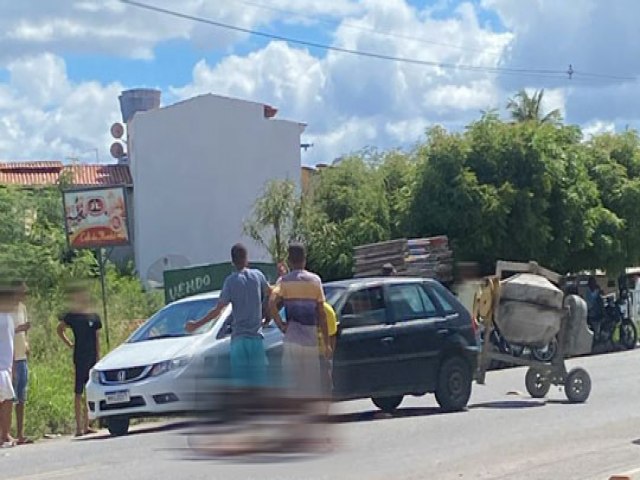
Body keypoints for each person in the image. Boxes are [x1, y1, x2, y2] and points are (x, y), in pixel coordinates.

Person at [186, 243, 270, 387]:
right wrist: (267, 315)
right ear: (246, 258)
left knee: (241, 384)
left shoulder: (230, 282)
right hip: (256, 337)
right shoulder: (258, 276)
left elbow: (218, 310)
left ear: (232, 261)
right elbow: (271, 293)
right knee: (260, 382)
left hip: (239, 339)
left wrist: (196, 325)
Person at [269, 242, 329, 399]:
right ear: (305, 259)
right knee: (311, 385)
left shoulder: (284, 281)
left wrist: (281, 325)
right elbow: (321, 313)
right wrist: (327, 343)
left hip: (292, 338)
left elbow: (271, 302)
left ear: (290, 260)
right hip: (310, 339)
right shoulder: (315, 281)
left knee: (292, 384)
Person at [57, 285, 102, 437]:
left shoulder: (94, 316)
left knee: (89, 390)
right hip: (79, 356)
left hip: (92, 357)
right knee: (78, 391)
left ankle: (87, 424)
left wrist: (98, 356)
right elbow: (60, 328)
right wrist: (69, 343)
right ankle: (78, 427)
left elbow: (96, 338)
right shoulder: (73, 316)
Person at [0, 285, 30, 448]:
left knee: (12, 399)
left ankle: (9, 434)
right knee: (5, 400)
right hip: (2, 366)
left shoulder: (12, 316)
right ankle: (4, 434)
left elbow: (11, 340)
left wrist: (12, 365)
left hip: (11, 363)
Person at [12, 282, 32, 445]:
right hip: (9, 359)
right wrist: (20, 328)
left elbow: (24, 331)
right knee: (6, 399)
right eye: (22, 292)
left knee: (21, 398)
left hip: (22, 357)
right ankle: (5, 432)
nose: (25, 295)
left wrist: (27, 343)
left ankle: (20, 434)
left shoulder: (22, 308)